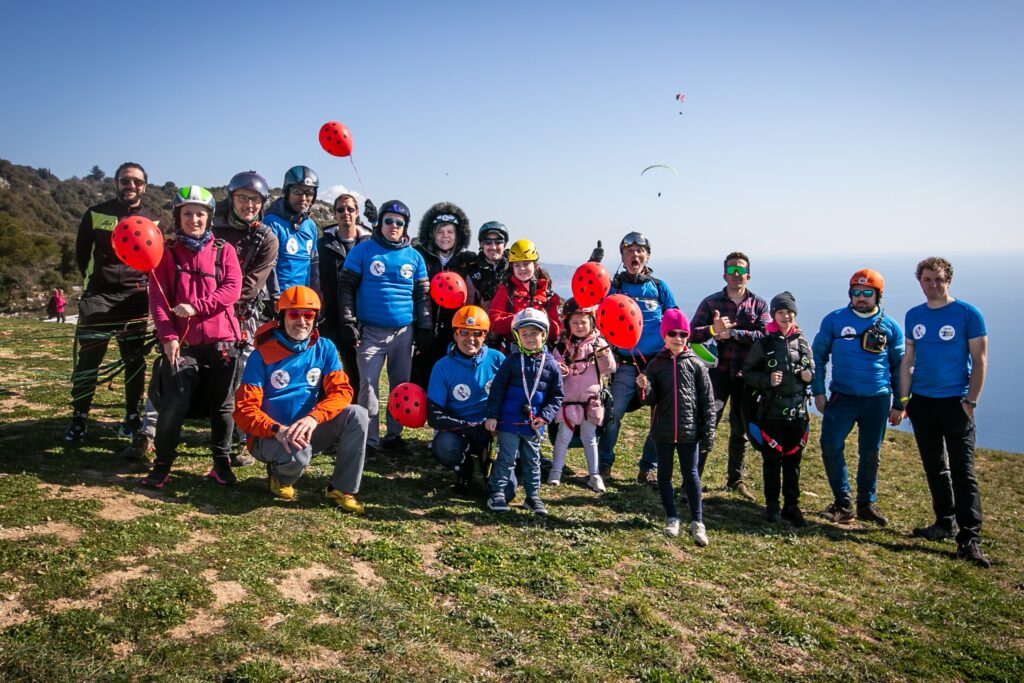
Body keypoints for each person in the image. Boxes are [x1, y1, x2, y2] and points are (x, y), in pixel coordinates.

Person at [139, 186, 242, 489]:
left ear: (209, 217)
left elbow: (231, 290)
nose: (194, 219)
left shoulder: (225, 251)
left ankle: (221, 464)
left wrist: (197, 307)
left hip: (223, 343)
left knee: (223, 407)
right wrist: (168, 336)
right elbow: (158, 300)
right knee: (174, 404)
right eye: (188, 214)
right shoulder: (166, 254)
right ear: (178, 217)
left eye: (200, 214)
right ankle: (162, 466)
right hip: (183, 346)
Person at [233, 286, 368, 512]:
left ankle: (341, 489)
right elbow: (244, 410)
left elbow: (341, 391)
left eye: (309, 315)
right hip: (269, 436)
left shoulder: (324, 348)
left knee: (357, 414)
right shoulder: (262, 355)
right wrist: (277, 430)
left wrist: (314, 418)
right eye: (294, 314)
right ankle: (279, 476)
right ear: (281, 317)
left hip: (307, 428)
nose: (302, 321)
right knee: (298, 453)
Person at [900, 257, 990, 568]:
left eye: (938, 279)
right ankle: (944, 523)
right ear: (920, 282)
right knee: (935, 467)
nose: (933, 284)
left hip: (956, 403)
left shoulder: (967, 313)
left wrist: (970, 401)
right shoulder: (914, 315)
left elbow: (980, 361)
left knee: (963, 473)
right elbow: (908, 359)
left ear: (948, 279)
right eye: (927, 279)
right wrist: (905, 398)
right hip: (922, 403)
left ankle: (969, 538)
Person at [66, 162, 158, 443]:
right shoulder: (94, 214)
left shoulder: (153, 219)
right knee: (88, 362)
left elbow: (155, 260)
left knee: (134, 362)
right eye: (125, 180)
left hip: (135, 298)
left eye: (137, 182)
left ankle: (131, 417)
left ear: (145, 185)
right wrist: (96, 286)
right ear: (116, 182)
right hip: (99, 299)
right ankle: (79, 417)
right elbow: (83, 256)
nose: (131, 186)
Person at [338, 200, 432, 457]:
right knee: (367, 386)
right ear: (380, 223)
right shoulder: (362, 251)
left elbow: (422, 297)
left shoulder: (415, 257)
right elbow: (346, 287)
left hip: (403, 332)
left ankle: (394, 436)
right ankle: (369, 440)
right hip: (370, 331)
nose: (393, 226)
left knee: (400, 386)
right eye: (388, 221)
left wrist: (425, 327)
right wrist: (347, 321)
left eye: (399, 223)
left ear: (405, 227)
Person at [812, 269, 905, 525]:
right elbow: (818, 356)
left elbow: (900, 367)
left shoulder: (891, 326)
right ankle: (843, 503)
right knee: (830, 445)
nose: (861, 298)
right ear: (850, 294)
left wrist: (900, 403)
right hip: (842, 396)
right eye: (856, 292)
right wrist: (818, 391)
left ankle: (866, 504)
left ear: (878, 295)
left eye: (867, 293)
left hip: (877, 398)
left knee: (870, 452)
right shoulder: (834, 320)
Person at [596, 232, 678, 486]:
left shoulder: (658, 287)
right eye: (629, 251)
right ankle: (604, 463)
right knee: (612, 413)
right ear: (622, 257)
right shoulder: (615, 287)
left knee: (660, 417)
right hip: (625, 364)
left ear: (647, 256)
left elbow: (675, 319)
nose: (635, 255)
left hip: (658, 363)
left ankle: (648, 469)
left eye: (639, 251)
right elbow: (592, 311)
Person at [689, 251, 771, 501]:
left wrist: (733, 334)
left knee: (741, 429)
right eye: (732, 271)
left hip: (746, 377)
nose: (737, 275)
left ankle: (735, 481)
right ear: (725, 274)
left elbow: (766, 336)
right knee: (706, 426)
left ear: (749, 274)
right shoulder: (711, 302)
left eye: (741, 271)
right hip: (716, 376)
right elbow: (691, 334)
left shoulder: (759, 304)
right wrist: (714, 329)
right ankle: (692, 480)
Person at [636, 309, 714, 545]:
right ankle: (672, 517)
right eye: (672, 333)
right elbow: (650, 399)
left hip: (690, 432)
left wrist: (708, 435)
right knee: (665, 475)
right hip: (663, 431)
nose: (678, 338)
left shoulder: (697, 365)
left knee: (691, 476)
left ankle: (697, 521)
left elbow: (707, 401)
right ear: (664, 335)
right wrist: (644, 387)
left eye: (682, 334)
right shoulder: (655, 365)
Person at [742, 292, 814, 527]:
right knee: (772, 462)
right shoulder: (763, 343)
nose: (786, 316)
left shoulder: (802, 343)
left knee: (793, 463)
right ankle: (772, 506)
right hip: (772, 413)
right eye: (781, 312)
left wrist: (809, 375)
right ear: (773, 314)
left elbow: (813, 369)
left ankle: (791, 507)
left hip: (798, 413)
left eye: (790, 312)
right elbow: (748, 374)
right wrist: (767, 380)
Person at [485, 308, 563, 516]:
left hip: (533, 424)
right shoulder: (510, 361)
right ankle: (498, 493)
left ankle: (532, 495)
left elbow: (556, 396)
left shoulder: (552, 365)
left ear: (544, 335)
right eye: (524, 334)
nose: (529, 338)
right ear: (517, 336)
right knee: (506, 458)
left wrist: (545, 416)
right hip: (508, 422)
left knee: (532, 460)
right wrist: (492, 416)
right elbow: (497, 390)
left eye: (534, 333)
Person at [427, 305, 505, 491]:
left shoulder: (498, 360)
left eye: (477, 333)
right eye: (464, 332)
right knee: (444, 446)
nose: (470, 339)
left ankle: (490, 465)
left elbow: (511, 399)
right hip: (459, 430)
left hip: (491, 430)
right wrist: (469, 428)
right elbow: (434, 415)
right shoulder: (442, 366)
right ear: (455, 334)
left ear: (485, 335)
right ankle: (464, 468)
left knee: (505, 489)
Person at [548, 298, 616, 492]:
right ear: (567, 324)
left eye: (583, 322)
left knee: (590, 438)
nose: (579, 326)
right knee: (563, 436)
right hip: (567, 401)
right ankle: (556, 471)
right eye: (575, 322)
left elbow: (608, 369)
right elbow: (554, 371)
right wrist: (560, 370)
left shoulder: (599, 343)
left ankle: (594, 475)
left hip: (590, 401)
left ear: (592, 322)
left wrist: (602, 353)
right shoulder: (561, 346)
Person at [411, 202, 472, 389]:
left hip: (453, 333)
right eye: (440, 231)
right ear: (431, 234)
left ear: (458, 235)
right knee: (420, 379)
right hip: (423, 330)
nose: (445, 236)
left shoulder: (466, 261)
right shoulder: (418, 256)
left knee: (448, 383)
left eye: (450, 232)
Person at [318, 192, 371, 392]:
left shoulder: (368, 245)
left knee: (356, 373)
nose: (345, 213)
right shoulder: (322, 245)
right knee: (324, 372)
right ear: (334, 214)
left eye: (350, 209)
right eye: (340, 209)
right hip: (329, 317)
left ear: (357, 213)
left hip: (358, 318)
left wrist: (375, 221)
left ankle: (354, 415)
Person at [488, 239, 562, 352]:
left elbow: (556, 332)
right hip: (512, 353)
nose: (522, 269)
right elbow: (494, 324)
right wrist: (521, 317)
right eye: (517, 265)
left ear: (535, 265)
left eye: (526, 264)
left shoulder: (548, 295)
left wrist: (542, 319)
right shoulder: (505, 291)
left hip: (541, 354)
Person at [264, 165, 320, 305]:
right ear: (287, 191)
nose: (303, 198)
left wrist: (316, 295)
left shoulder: (310, 226)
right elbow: (269, 265)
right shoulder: (271, 222)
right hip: (279, 300)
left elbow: (313, 265)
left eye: (309, 193)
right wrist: (276, 298)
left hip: (303, 299)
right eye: (297, 191)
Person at [451, 221, 511, 315]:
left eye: (498, 242)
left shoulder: (515, 267)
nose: (493, 247)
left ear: (505, 244)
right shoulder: (470, 270)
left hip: (512, 326)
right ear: (481, 245)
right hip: (479, 326)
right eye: (487, 242)